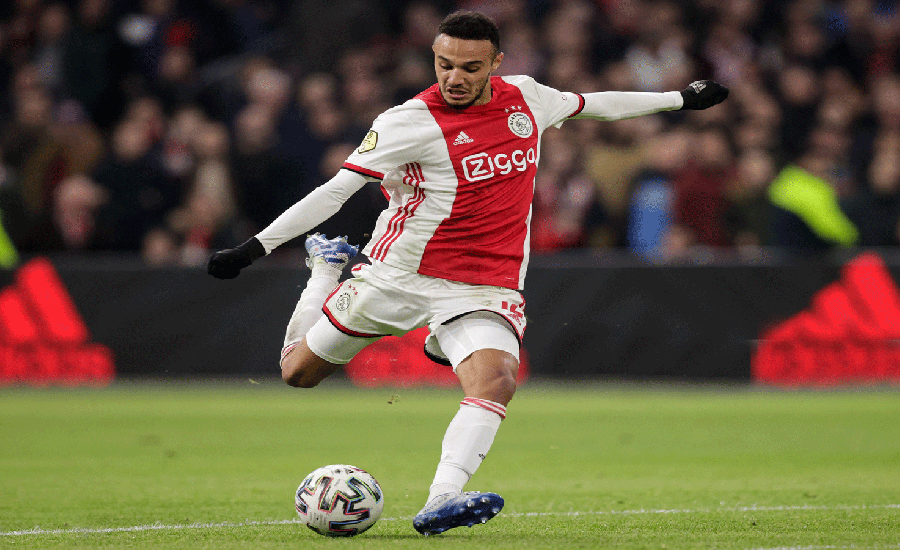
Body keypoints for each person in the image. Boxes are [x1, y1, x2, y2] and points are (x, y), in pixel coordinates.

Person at [207, 10, 728, 535]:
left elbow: (595, 106)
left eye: (470, 67)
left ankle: (441, 500)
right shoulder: (405, 122)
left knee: (497, 380)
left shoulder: (526, 98)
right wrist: (253, 250)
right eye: (444, 64)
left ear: (496, 63)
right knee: (298, 373)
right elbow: (334, 192)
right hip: (398, 275)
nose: (454, 77)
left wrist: (680, 99)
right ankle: (324, 269)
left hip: (483, 285)